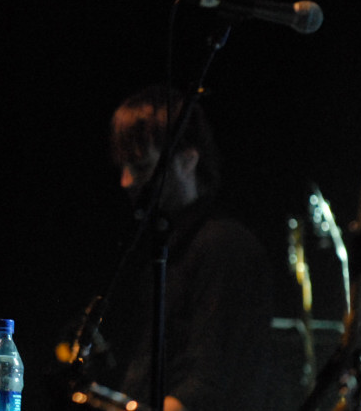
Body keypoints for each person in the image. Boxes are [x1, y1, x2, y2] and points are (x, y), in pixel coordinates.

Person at [104, 85, 272, 411]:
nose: (126, 181)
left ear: (188, 160)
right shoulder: (164, 249)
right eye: (123, 167)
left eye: (141, 167)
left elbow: (206, 385)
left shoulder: (225, 247)